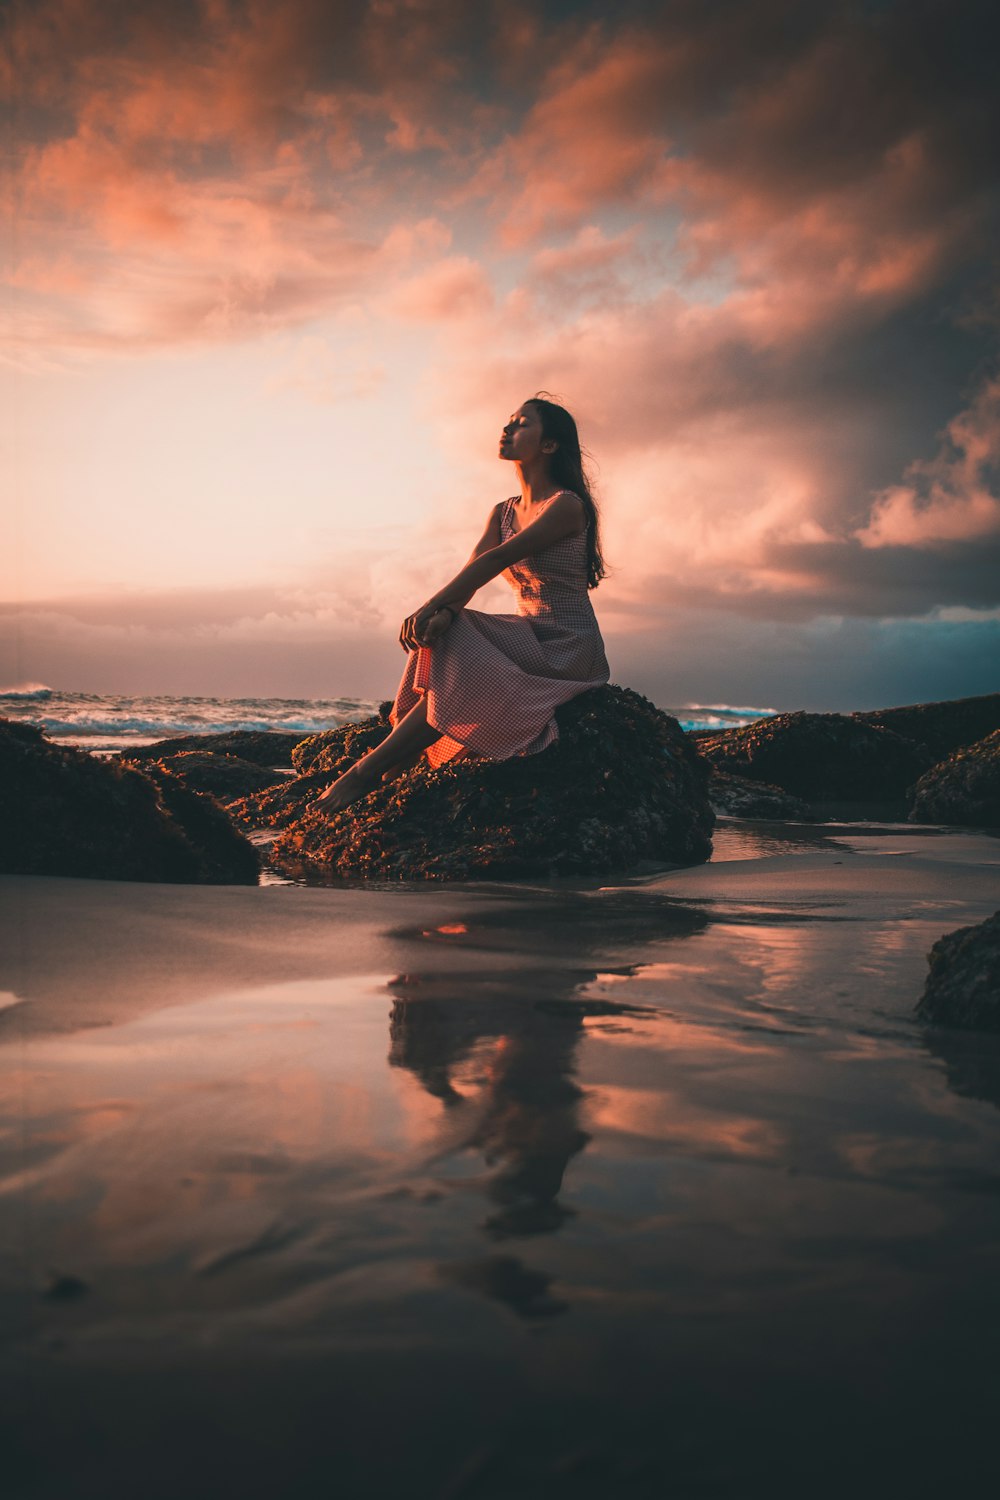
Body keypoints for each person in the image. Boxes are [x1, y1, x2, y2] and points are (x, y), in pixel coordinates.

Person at [314, 394, 610, 813]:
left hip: (567, 645)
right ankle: (397, 761)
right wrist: (445, 612)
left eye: (522, 424)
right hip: (527, 636)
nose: (507, 429)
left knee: (455, 630)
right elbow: (474, 566)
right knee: (449, 628)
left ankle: (364, 773)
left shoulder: (566, 506)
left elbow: (497, 560)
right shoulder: (503, 512)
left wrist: (430, 606)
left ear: (549, 445)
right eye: (509, 421)